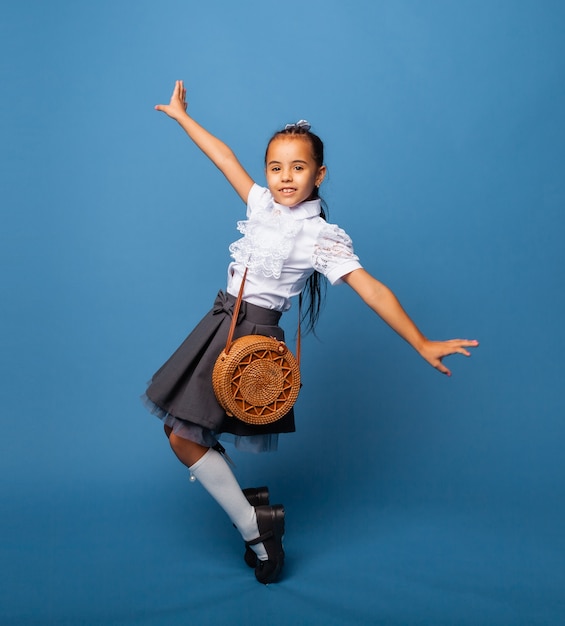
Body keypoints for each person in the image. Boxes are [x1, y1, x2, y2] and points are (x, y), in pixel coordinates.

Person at [143, 80, 478, 585]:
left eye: (298, 168)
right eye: (275, 167)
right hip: (219, 322)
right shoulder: (259, 206)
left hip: (251, 339)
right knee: (182, 431)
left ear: (319, 174)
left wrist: (421, 341)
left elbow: (372, 291)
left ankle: (255, 527)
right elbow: (225, 157)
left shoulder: (320, 236)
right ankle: (253, 513)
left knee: (182, 434)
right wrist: (183, 118)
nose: (284, 178)